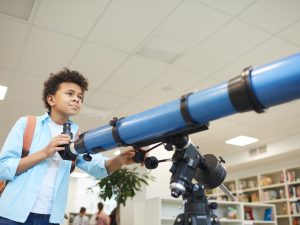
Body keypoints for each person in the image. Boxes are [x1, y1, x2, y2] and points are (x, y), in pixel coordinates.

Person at [0, 68, 137, 225]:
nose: (77, 99)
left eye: (80, 97)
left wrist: (120, 160)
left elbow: (98, 168)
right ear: (51, 99)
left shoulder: (78, 137)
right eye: (70, 94)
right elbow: (2, 167)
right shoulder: (27, 124)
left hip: (50, 219)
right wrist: (45, 153)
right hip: (12, 215)